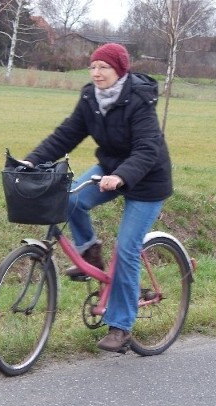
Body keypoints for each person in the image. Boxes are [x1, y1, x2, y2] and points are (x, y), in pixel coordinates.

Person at [22, 43, 173, 353]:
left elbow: (147, 149)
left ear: (119, 70)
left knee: (127, 249)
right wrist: (32, 160)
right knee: (70, 200)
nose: (96, 72)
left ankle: (121, 326)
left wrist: (121, 177)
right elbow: (67, 134)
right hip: (110, 169)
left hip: (146, 180)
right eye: (93, 66)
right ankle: (90, 255)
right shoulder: (91, 97)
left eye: (103, 67)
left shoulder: (139, 100)